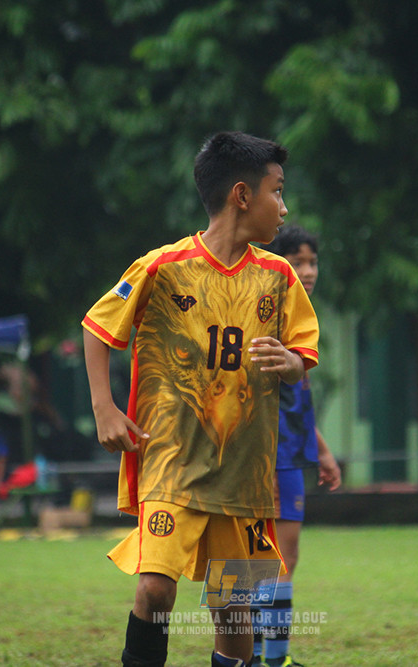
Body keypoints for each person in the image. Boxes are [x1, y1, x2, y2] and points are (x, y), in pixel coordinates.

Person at [83, 130, 320, 667]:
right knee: (155, 591)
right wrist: (104, 406)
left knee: (235, 619)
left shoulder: (279, 277)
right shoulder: (162, 268)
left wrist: (290, 362)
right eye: (276, 192)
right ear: (242, 195)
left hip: (244, 476)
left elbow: (303, 349)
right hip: (171, 465)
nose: (283, 208)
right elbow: (98, 328)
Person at [253, 225, 343, 667]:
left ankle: (264, 657)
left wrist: (322, 450)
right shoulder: (264, 312)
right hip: (261, 455)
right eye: (297, 261)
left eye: (312, 262)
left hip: (287, 452)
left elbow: (298, 400)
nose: (307, 271)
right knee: (261, 557)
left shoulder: (299, 316)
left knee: (273, 556)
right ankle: (260, 658)